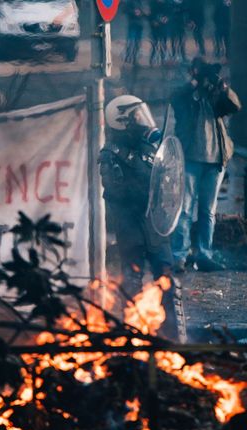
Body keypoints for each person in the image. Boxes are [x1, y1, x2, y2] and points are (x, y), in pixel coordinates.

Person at [100, 95, 178, 338]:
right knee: (132, 280)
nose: (142, 120)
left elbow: (165, 181)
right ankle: (132, 335)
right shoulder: (110, 154)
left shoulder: (149, 148)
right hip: (130, 225)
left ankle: (171, 335)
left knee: (166, 277)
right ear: (122, 121)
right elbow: (116, 191)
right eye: (136, 116)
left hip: (154, 225)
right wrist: (143, 191)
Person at [169, 57, 241, 272]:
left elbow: (235, 106)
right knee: (184, 210)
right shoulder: (185, 96)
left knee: (207, 211)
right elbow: (175, 99)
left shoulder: (214, 95)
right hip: (190, 159)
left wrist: (222, 87)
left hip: (215, 161)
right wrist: (194, 84)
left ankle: (204, 255)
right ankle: (179, 256)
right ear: (192, 72)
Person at [123, 0, 145, 65]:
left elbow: (144, 12)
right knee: (131, 42)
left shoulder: (140, 2)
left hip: (139, 25)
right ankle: (128, 58)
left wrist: (142, 12)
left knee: (137, 43)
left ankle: (135, 59)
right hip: (132, 24)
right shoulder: (130, 2)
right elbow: (125, 10)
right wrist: (134, 12)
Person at [147, 0, 168, 66]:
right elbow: (149, 17)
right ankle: (152, 59)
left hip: (163, 29)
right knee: (154, 45)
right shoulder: (153, 5)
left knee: (163, 44)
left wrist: (166, 18)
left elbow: (169, 14)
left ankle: (163, 59)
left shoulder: (166, 5)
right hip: (155, 29)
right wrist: (153, 22)